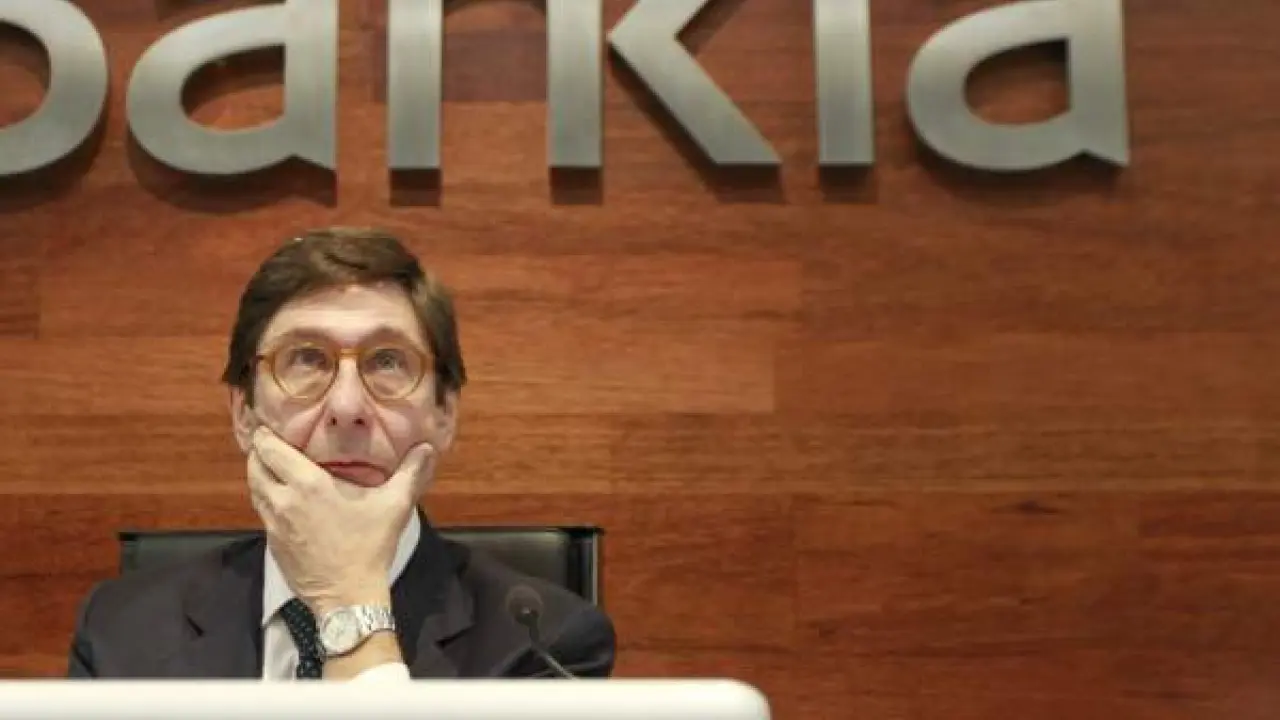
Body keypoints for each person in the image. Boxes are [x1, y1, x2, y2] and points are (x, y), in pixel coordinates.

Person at [64, 227, 616, 680]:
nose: (347, 407)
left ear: (445, 413)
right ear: (244, 414)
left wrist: (349, 600)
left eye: (387, 361)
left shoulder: (546, 647)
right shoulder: (120, 633)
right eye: (306, 359)